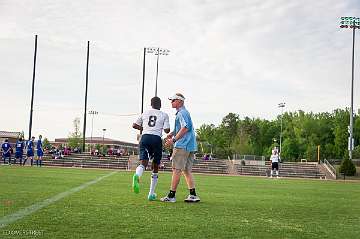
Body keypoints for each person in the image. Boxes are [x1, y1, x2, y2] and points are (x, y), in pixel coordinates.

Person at [161, 93, 200, 203]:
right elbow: (184, 127)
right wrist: (172, 133)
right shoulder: (184, 112)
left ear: (180, 101)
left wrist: (173, 140)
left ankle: (171, 195)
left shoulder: (182, 113)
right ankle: (193, 195)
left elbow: (185, 128)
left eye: (173, 100)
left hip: (182, 145)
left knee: (176, 170)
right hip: (190, 145)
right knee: (186, 171)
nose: (171, 102)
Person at [132, 96, 170, 201]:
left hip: (145, 137)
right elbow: (167, 130)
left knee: (143, 162)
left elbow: (134, 125)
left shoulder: (145, 113)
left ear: (151, 104)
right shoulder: (164, 114)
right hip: (157, 139)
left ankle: (137, 176)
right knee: (155, 166)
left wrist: (144, 128)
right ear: (160, 105)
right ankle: (151, 193)